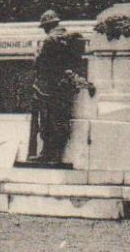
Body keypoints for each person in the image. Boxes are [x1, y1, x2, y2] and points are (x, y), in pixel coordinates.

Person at [27, 10, 88, 165]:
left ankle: (47, 154)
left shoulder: (49, 41)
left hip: (47, 86)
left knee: (46, 121)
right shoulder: (69, 39)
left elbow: (38, 62)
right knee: (59, 120)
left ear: (46, 26)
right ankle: (56, 154)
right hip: (62, 85)